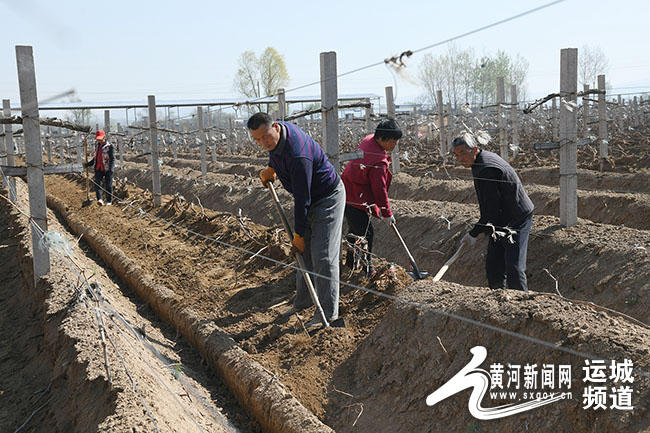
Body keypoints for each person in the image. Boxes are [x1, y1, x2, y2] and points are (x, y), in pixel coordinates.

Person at [247, 112, 346, 326]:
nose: (263, 142)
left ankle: (327, 316)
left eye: (265, 136)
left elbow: (303, 199)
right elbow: (275, 151)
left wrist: (299, 235)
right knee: (303, 254)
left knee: (323, 257)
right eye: (257, 139)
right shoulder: (277, 135)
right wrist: (271, 168)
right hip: (309, 196)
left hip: (327, 198)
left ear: (275, 126)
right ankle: (303, 303)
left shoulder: (298, 154)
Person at [452, 132, 534, 291]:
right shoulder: (479, 162)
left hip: (516, 217)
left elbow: (491, 210)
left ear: (474, 149)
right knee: (494, 265)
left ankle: (523, 305)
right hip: (500, 219)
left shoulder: (486, 169)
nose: (460, 159)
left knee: (514, 266)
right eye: (456, 155)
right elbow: (492, 208)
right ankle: (498, 300)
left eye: (462, 153)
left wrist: (474, 233)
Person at [341, 118, 402, 277]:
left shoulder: (369, 140)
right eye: (391, 141)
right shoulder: (378, 161)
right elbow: (379, 189)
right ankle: (368, 269)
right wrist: (386, 213)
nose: (394, 145)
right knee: (367, 234)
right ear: (380, 138)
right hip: (356, 197)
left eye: (396, 141)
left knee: (355, 230)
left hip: (347, 191)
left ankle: (350, 261)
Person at [85, 130, 115, 205]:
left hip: (107, 168)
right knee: (97, 183)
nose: (99, 140)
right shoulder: (97, 145)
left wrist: (111, 169)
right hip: (98, 167)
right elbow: (96, 157)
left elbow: (112, 159)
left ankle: (109, 201)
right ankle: (100, 199)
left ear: (104, 137)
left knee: (108, 184)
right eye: (98, 139)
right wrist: (89, 164)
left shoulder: (110, 146)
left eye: (100, 139)